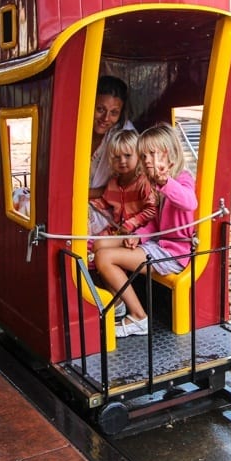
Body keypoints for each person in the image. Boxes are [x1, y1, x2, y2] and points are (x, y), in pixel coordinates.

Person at [94, 124, 197, 337]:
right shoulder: (157, 184)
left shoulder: (182, 178)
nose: (147, 160)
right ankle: (120, 302)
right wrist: (137, 237)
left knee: (104, 258)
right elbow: (156, 225)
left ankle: (138, 316)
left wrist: (166, 181)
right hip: (158, 245)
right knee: (98, 245)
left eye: (152, 153)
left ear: (170, 153)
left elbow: (189, 203)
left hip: (174, 253)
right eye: (144, 155)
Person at [88, 129, 158, 239]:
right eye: (117, 157)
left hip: (138, 233)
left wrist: (132, 223)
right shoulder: (113, 183)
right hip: (117, 230)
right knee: (89, 244)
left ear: (139, 156)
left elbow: (152, 210)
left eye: (127, 155)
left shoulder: (143, 182)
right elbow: (105, 202)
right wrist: (90, 208)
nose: (122, 161)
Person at [90, 75, 134, 199]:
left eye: (114, 113)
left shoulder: (125, 134)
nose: (105, 118)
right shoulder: (76, 128)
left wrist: (83, 194)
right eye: (100, 109)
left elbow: (128, 186)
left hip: (109, 208)